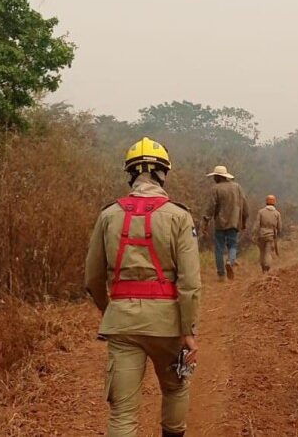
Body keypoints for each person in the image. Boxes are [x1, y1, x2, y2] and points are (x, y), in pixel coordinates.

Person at [85, 137, 202, 437]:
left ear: (131, 174)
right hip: (168, 325)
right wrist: (188, 331)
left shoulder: (108, 215)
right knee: (175, 390)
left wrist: (111, 311)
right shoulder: (179, 215)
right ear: (163, 173)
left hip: (122, 323)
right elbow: (190, 283)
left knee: (123, 414)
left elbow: (92, 279)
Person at [202, 165, 249, 281]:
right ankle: (230, 261)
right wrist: (244, 220)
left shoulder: (215, 189)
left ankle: (221, 275)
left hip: (220, 223)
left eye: (214, 176)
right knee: (232, 245)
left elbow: (210, 207)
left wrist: (206, 222)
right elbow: (244, 205)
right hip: (234, 222)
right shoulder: (237, 187)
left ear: (218, 177)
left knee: (219, 248)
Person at [252, 195, 283, 273]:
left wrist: (254, 234)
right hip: (271, 236)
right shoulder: (277, 213)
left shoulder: (261, 212)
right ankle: (267, 267)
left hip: (261, 235)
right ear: (274, 202)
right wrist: (278, 234)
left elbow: (257, 225)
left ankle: (263, 268)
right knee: (268, 252)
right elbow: (279, 227)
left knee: (262, 252)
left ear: (266, 202)